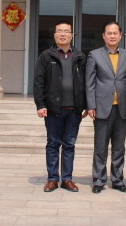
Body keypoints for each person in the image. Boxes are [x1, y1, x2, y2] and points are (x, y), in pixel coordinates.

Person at [33, 20, 87, 193]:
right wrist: (40, 104)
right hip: (53, 109)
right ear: (55, 34)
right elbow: (39, 81)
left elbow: (86, 82)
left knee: (69, 144)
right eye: (59, 31)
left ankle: (67, 179)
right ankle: (52, 179)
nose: (63, 34)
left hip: (74, 110)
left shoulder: (80, 56)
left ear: (72, 35)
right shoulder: (46, 56)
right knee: (53, 143)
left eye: (66, 31)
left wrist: (86, 105)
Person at [86, 21, 126, 194]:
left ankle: (117, 180)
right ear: (103, 36)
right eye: (109, 33)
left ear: (120, 36)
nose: (112, 36)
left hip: (122, 108)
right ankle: (98, 180)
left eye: (115, 33)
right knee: (100, 147)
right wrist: (91, 105)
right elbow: (89, 82)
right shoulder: (94, 55)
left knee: (119, 148)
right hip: (102, 108)